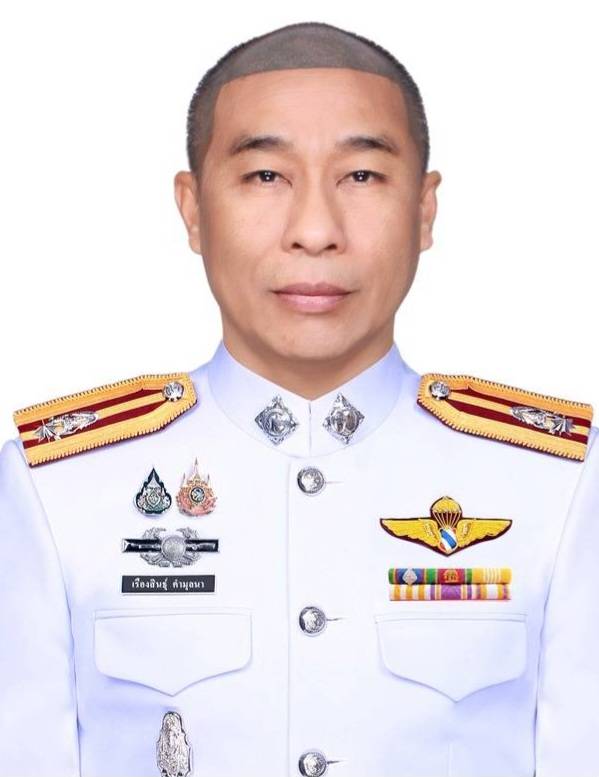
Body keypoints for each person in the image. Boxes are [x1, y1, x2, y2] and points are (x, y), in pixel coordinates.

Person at [0, 19, 597, 777]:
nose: (315, 231)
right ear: (192, 209)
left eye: (362, 176)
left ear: (424, 210)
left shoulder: (558, 485)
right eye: (264, 176)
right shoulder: (56, 488)